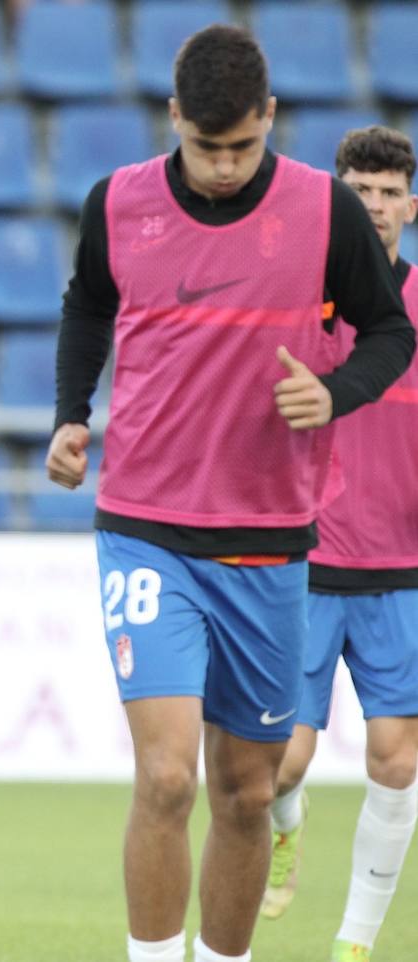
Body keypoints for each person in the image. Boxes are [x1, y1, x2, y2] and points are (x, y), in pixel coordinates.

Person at [46, 26, 414, 962]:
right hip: (146, 530)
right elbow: (89, 302)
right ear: (174, 119)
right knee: (166, 778)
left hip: (272, 539)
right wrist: (71, 412)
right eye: (206, 146)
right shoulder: (119, 203)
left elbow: (387, 332)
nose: (221, 166)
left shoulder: (325, 211)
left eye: (241, 146)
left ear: (270, 122)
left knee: (246, 791)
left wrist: (335, 393)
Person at [259, 126, 418, 962]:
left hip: (403, 577)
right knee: (280, 766)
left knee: (396, 764)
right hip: (307, 569)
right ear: (340, 202)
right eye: (362, 192)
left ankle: (354, 943)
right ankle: (289, 829)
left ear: (412, 206)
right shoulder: (302, 305)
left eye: (391, 193)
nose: (377, 207)